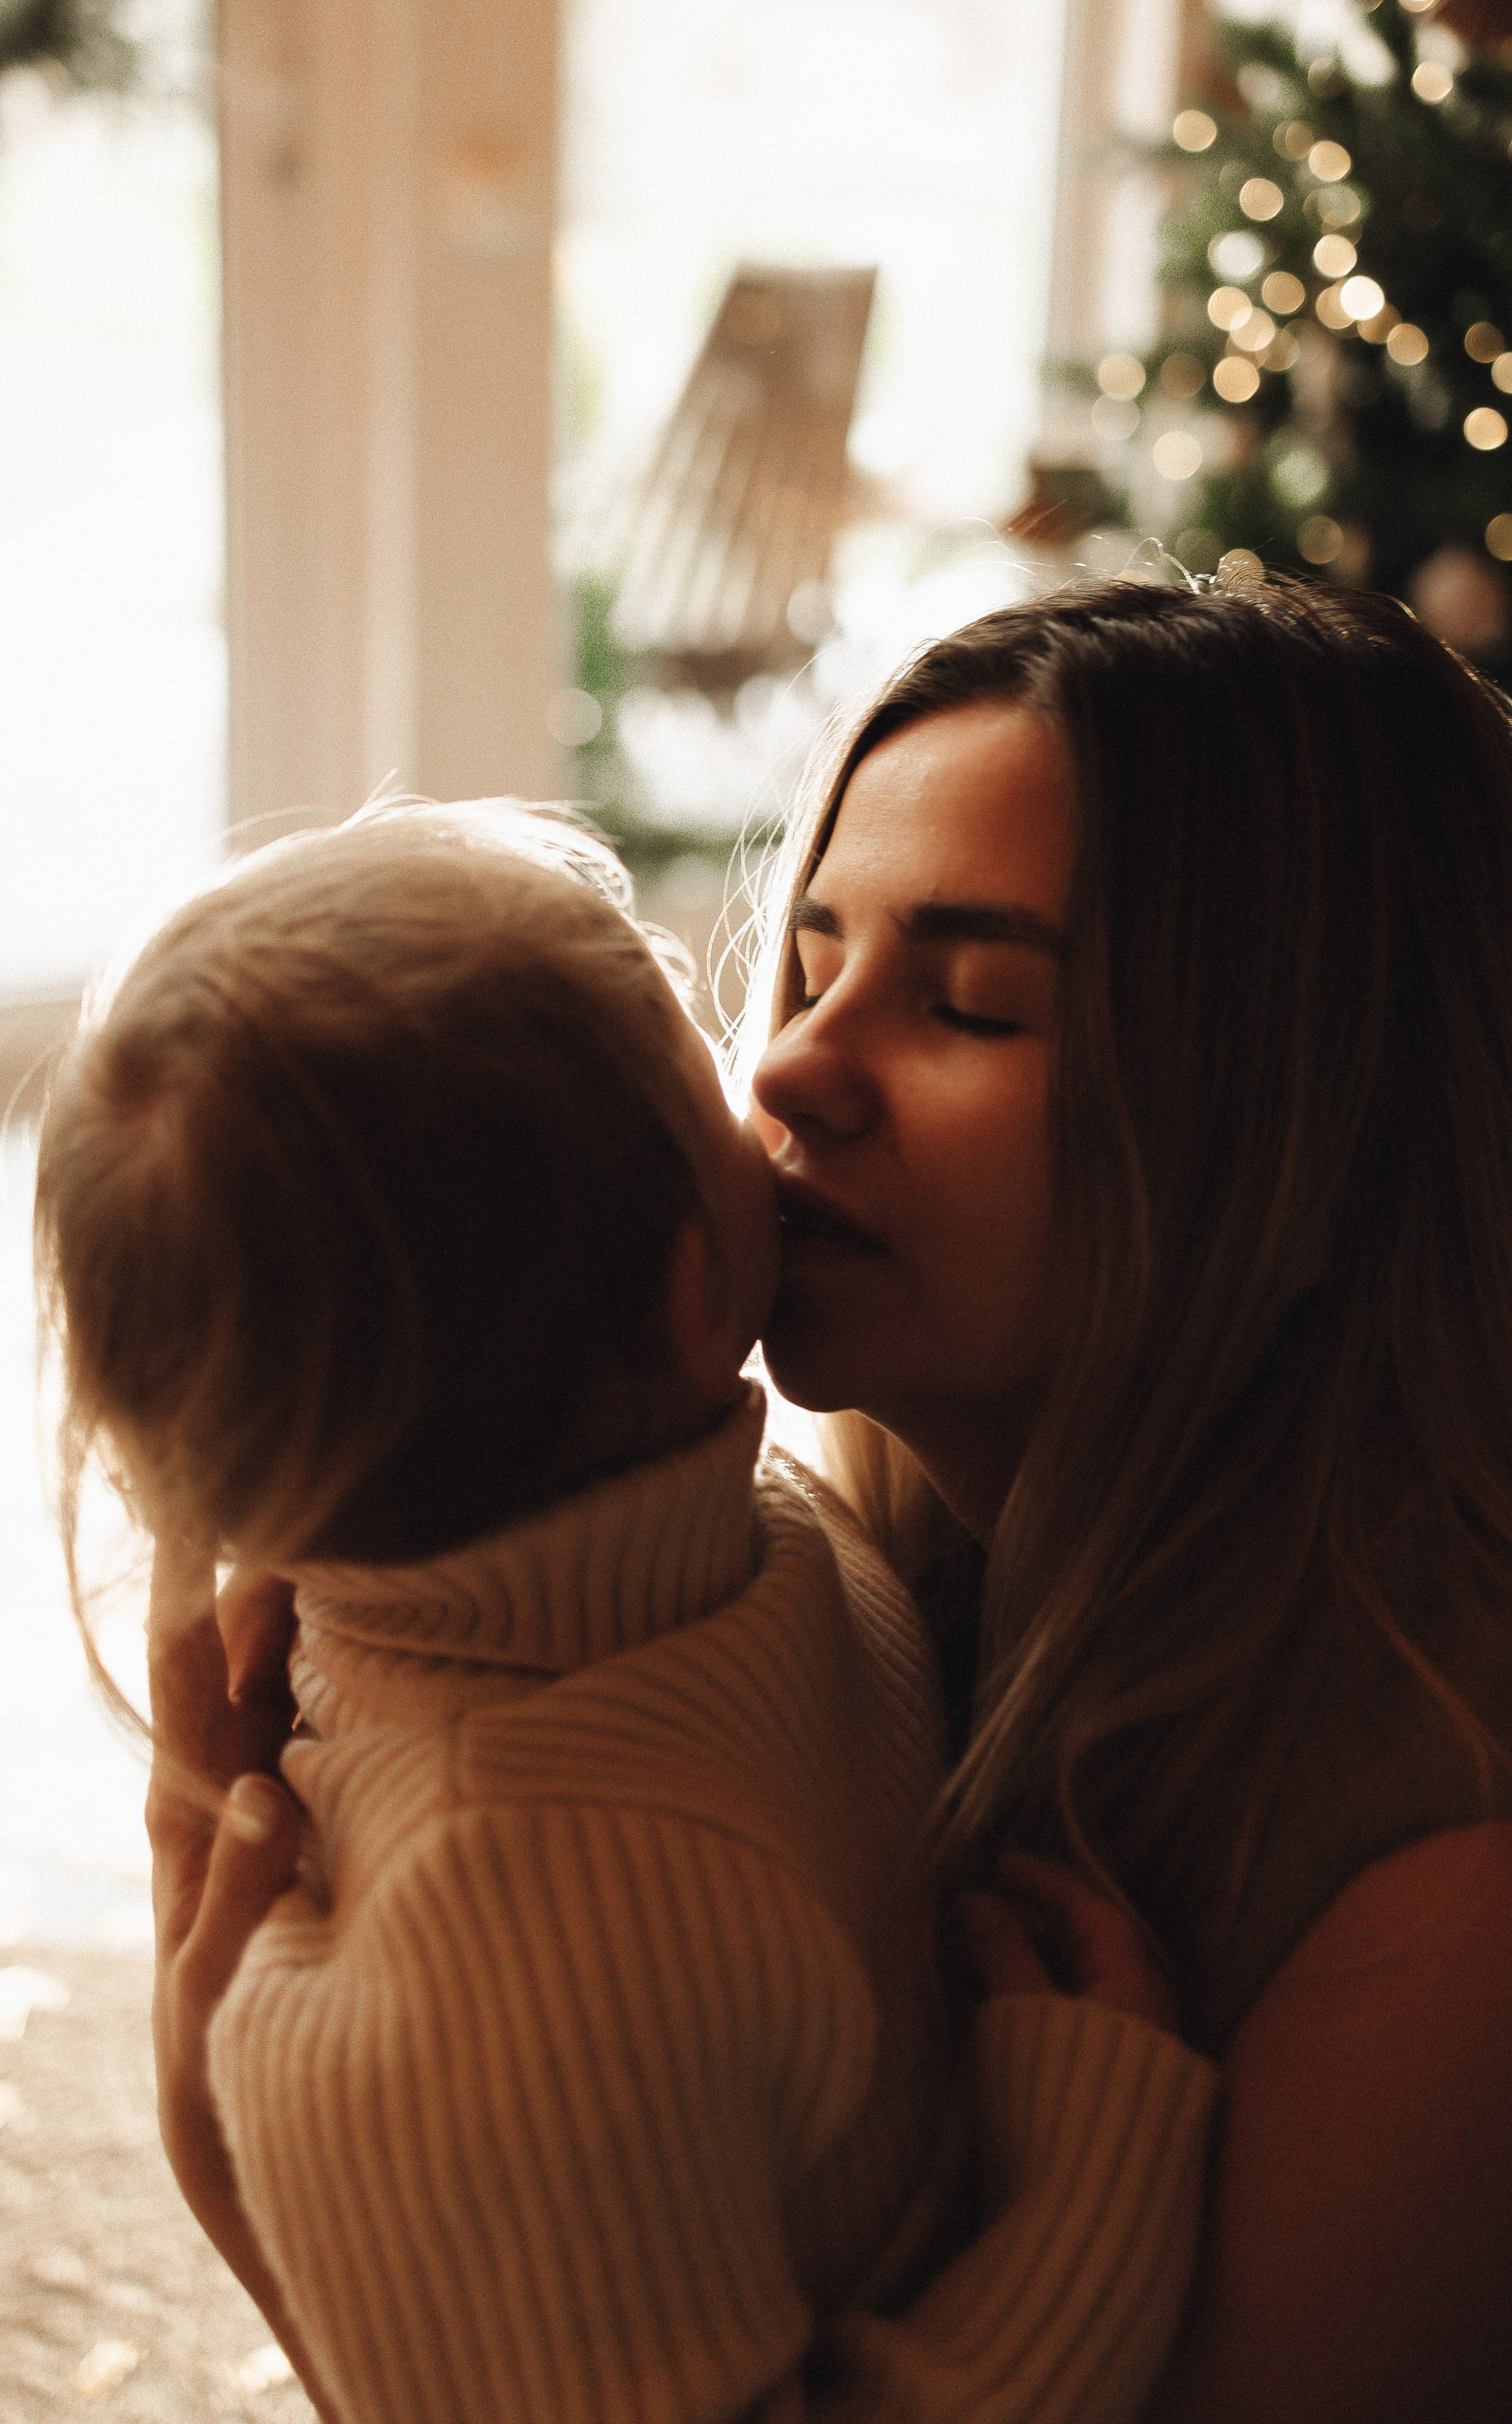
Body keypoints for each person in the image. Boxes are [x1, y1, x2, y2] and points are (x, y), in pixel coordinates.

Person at [148, 572, 1512, 2421]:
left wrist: (246, 2182)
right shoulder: (836, 1584)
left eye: (968, 1004)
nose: (790, 1066)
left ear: (1318, 1140)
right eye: (810, 966)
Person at [34, 799, 1216, 2424]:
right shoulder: (506, 1958)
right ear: (686, 1289)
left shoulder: (693, 1529)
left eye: (963, 1006)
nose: (779, 1074)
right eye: (707, 1057)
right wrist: (1079, 2199)